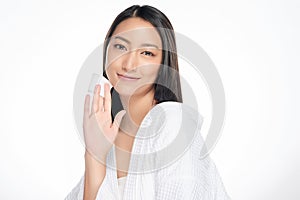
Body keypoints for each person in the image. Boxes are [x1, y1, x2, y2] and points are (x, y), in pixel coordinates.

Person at [65, 5, 230, 200]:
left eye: (146, 53)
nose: (128, 64)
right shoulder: (107, 134)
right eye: (120, 47)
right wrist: (94, 156)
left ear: (163, 64)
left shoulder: (174, 123)